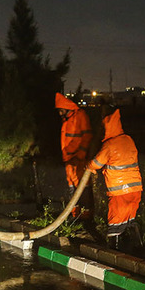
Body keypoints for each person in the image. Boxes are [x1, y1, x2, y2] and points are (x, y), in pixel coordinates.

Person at [86, 108, 142, 248]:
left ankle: (114, 252)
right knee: (130, 219)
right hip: (136, 189)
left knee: (115, 223)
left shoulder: (109, 145)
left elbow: (96, 163)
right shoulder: (129, 140)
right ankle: (137, 249)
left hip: (119, 192)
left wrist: (89, 167)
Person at [56, 92, 94, 220]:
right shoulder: (68, 119)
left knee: (82, 187)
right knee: (72, 187)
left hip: (78, 160)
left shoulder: (80, 116)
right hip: (69, 160)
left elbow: (87, 136)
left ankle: (85, 216)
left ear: (66, 108)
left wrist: (80, 155)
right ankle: (75, 215)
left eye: (61, 110)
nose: (60, 113)